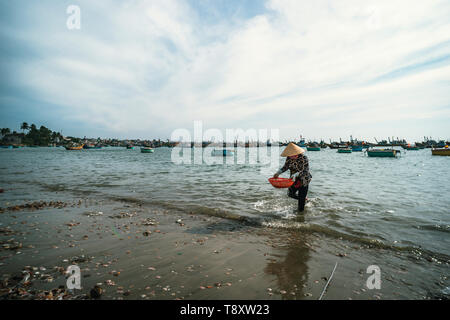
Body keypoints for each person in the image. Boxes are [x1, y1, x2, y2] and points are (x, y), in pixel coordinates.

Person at [273, 142, 312, 212]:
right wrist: (278, 172)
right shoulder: (289, 158)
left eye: (293, 155)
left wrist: (296, 174)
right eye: (290, 155)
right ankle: (305, 199)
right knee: (290, 193)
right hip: (294, 180)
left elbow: (305, 170)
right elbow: (285, 167)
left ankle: (300, 218)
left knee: (301, 206)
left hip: (304, 180)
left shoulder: (304, 158)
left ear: (297, 153)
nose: (291, 157)